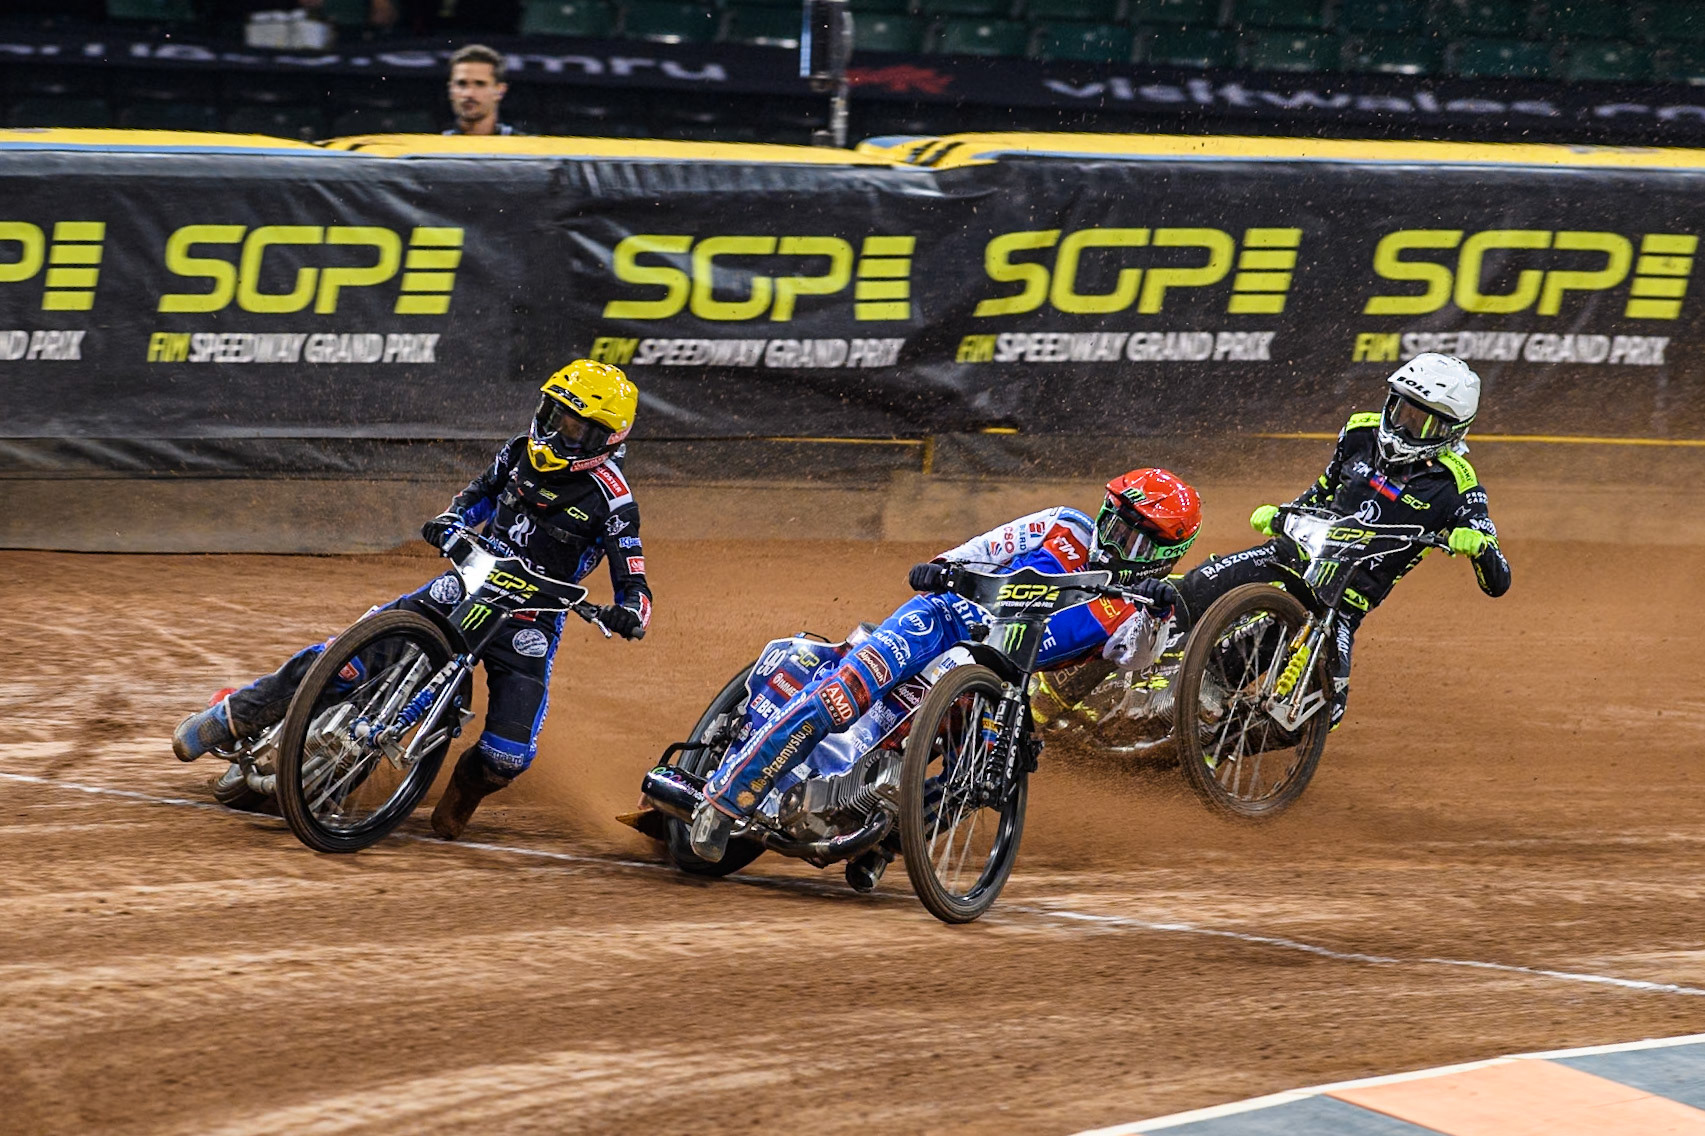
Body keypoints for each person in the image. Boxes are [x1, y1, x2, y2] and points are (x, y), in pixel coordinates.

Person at [172, 360, 652, 839]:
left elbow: (636, 583)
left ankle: (458, 800)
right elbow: (479, 494)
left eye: (575, 428)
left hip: (530, 624)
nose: (556, 433)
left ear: (606, 439)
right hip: (465, 584)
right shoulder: (518, 452)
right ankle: (230, 717)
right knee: (345, 659)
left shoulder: (613, 500)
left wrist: (629, 611)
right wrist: (452, 519)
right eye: (553, 415)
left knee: (507, 756)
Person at [688, 468, 1203, 863]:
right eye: (1114, 521)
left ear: (1166, 553)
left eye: (1136, 538)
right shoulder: (1065, 525)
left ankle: (884, 843)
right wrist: (943, 567)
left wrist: (1158, 610)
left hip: (996, 680)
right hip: (944, 617)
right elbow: (992, 544)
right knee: (843, 694)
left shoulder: (1137, 609)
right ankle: (725, 801)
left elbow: (1138, 657)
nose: (1114, 539)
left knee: (986, 774)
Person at [1176, 352, 1511, 731]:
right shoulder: (1359, 433)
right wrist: (1284, 513)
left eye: (1423, 423)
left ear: (1453, 432)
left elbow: (1499, 581)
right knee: (1199, 584)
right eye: (1401, 410)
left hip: (1347, 600)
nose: (1404, 428)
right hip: (1298, 553)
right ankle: (1138, 648)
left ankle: (1207, 741)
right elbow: (1321, 492)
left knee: (1320, 714)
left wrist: (1481, 547)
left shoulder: (1459, 485)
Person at [444, 44, 515, 136]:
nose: (468, 93)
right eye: (461, 84)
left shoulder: (525, 148)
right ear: (451, 89)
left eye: (480, 84)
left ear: (500, 91)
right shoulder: (429, 149)